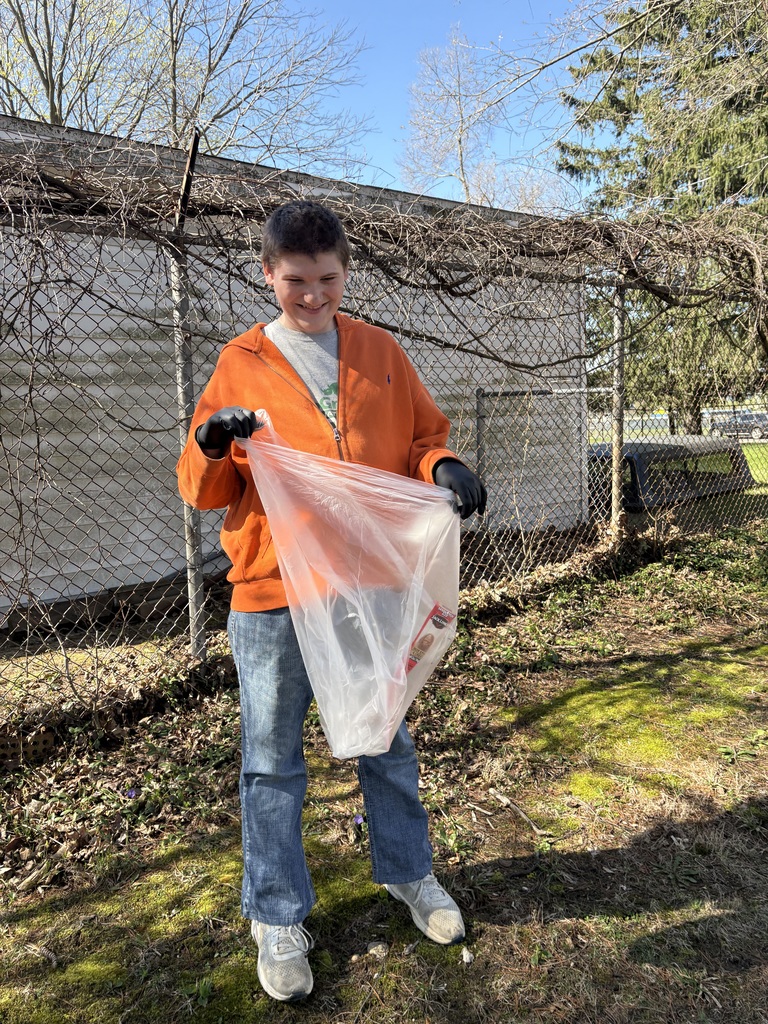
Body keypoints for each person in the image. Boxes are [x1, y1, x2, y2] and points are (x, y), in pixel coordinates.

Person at [176, 200, 486, 1003]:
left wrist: (443, 466)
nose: (311, 296)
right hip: (275, 593)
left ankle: (410, 875)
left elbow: (422, 434)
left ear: (346, 273)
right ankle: (277, 917)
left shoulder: (378, 350)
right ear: (268, 273)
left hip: (365, 588)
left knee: (385, 736)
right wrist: (213, 443)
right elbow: (204, 489)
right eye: (294, 280)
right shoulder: (241, 361)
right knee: (272, 761)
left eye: (326, 279)